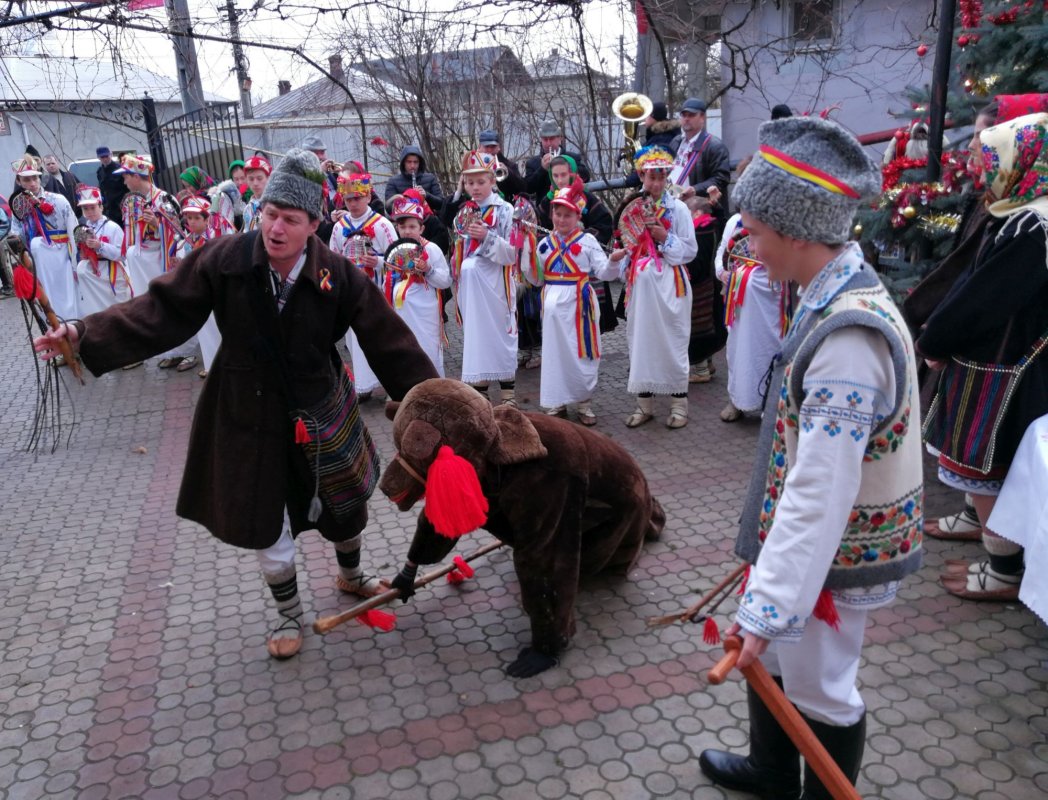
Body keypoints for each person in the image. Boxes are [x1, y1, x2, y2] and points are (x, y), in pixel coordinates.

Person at [32, 148, 439, 660]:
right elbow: (160, 310)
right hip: (245, 408)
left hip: (321, 404)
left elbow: (390, 342)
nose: (275, 228)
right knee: (264, 514)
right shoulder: (223, 260)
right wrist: (81, 334)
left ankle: (352, 577)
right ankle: (288, 611)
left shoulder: (339, 274)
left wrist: (441, 406)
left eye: (290, 219)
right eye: (269, 214)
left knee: (346, 502)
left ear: (314, 223)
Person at [698, 116, 923, 799]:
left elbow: (822, 490)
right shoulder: (828, 292)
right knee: (784, 665)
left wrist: (767, 604)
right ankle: (772, 774)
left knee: (821, 687)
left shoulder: (849, 345)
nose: (748, 247)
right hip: (810, 551)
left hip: (835, 554)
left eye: (756, 231)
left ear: (796, 229)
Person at [919, 112, 1048, 602]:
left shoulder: (1033, 227)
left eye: (994, 157)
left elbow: (983, 299)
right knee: (983, 468)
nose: (983, 165)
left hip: (1003, 368)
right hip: (1001, 361)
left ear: (1024, 162)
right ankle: (994, 548)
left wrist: (936, 339)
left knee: (987, 467)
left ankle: (1005, 569)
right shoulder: (1023, 213)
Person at [608, 146, 697, 429]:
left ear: (667, 177)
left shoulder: (679, 209)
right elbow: (626, 245)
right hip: (640, 289)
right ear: (642, 176)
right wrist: (622, 257)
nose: (656, 183)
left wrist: (664, 238)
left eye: (660, 177)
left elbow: (690, 250)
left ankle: (678, 405)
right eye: (650, 177)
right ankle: (643, 405)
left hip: (672, 286)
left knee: (673, 340)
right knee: (641, 342)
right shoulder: (631, 207)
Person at [530, 181, 617, 425]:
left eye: (567, 215)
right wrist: (525, 258)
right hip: (552, 311)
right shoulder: (544, 245)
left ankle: (584, 403)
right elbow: (536, 279)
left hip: (580, 306)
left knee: (582, 353)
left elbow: (604, 272)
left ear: (577, 216)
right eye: (557, 214)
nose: (561, 219)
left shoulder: (588, 242)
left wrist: (614, 261)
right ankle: (556, 401)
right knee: (555, 355)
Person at [715, 159, 790, 422]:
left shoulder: (779, 220)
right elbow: (722, 255)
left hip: (771, 301)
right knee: (737, 351)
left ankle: (771, 403)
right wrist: (723, 273)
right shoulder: (735, 221)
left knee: (771, 348)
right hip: (739, 304)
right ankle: (737, 400)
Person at [450, 150, 519, 405]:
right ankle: (480, 389)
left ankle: (508, 391)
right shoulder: (463, 214)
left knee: (501, 332)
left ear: (492, 181)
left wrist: (486, 237)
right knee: (477, 334)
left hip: (496, 283)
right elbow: (457, 251)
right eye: (469, 182)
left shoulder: (505, 211)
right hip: (472, 289)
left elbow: (512, 253)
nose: (475, 188)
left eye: (480, 182)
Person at [329, 169, 398, 400]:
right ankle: (364, 385)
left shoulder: (382, 225)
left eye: (357, 198)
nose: (353, 203)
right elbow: (333, 256)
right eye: (348, 199)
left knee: (380, 338)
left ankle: (390, 383)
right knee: (355, 339)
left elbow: (397, 258)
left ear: (368, 196)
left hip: (376, 290)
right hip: (351, 293)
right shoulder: (339, 227)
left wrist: (377, 261)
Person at [115, 153, 183, 369]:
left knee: (171, 302)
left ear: (137, 176)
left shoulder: (163, 199)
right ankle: (171, 349)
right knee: (155, 304)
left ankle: (185, 350)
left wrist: (157, 224)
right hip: (146, 261)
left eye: (126, 176)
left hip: (163, 258)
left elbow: (181, 231)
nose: (124, 181)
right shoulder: (137, 201)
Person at [386, 194, 452, 376]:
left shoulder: (431, 249)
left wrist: (428, 269)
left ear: (421, 228)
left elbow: (446, 280)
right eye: (402, 226)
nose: (407, 231)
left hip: (425, 311)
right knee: (404, 349)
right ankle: (407, 390)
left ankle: (433, 387)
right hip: (401, 310)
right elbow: (388, 278)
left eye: (412, 226)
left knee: (428, 348)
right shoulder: (394, 249)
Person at [10, 155, 80, 322]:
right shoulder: (19, 206)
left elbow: (73, 230)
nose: (32, 183)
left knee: (69, 297)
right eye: (26, 180)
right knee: (47, 300)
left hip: (62, 256)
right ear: (19, 181)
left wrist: (76, 262)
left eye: (35, 178)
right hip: (38, 260)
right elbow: (17, 233)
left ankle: (74, 330)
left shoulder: (58, 200)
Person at [177, 196, 228, 378]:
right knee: (204, 327)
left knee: (218, 325)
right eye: (189, 218)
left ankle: (222, 364)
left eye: (197, 218)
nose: (192, 222)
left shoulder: (215, 238)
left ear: (207, 219)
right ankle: (210, 363)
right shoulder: (186, 241)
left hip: (216, 288)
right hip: (199, 289)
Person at [683, 194, 728, 384]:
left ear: (697, 213)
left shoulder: (700, 230)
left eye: (688, 212)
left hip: (700, 286)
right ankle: (708, 363)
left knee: (698, 327)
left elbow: (697, 262)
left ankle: (701, 369)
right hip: (712, 283)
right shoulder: (713, 225)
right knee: (710, 325)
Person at [668, 98, 732, 217]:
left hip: (698, 210)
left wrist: (695, 189)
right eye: (684, 115)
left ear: (702, 117)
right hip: (673, 204)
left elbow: (721, 178)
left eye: (691, 115)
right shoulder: (676, 141)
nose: (686, 119)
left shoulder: (715, 146)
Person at [74, 185, 130, 316]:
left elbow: (122, 255)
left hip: (112, 273)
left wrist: (100, 246)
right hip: (95, 274)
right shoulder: (83, 229)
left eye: (93, 207)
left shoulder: (112, 227)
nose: (89, 212)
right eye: (85, 209)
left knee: (118, 307)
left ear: (101, 207)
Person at [523, 119, 590, 199]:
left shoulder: (573, 157)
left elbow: (586, 176)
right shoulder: (533, 163)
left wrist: (566, 166)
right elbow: (528, 188)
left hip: (571, 202)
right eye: (545, 139)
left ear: (560, 138)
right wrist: (542, 169)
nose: (548, 143)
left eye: (551, 139)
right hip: (546, 207)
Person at [383, 145, 446, 214]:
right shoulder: (393, 181)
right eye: (409, 162)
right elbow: (388, 208)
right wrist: (404, 200)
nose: (412, 166)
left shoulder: (430, 178)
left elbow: (441, 204)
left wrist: (426, 195)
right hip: (403, 221)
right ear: (403, 163)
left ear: (420, 163)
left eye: (415, 162)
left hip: (428, 220)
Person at [477, 129, 528, 201]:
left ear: (498, 147)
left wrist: (508, 173)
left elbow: (523, 189)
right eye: (486, 146)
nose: (489, 150)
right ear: (479, 147)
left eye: (493, 146)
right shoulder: (473, 167)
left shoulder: (510, 165)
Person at [96, 146, 129, 223]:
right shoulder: (100, 172)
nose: (105, 159)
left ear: (111, 155)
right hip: (107, 210)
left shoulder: (120, 169)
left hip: (120, 209)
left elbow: (127, 189)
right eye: (102, 157)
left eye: (106, 156)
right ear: (98, 158)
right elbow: (102, 190)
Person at [240, 155, 272, 232]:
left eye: (259, 178)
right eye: (251, 179)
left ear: (268, 178)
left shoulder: (276, 204)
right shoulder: (248, 209)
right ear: (247, 180)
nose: (255, 183)